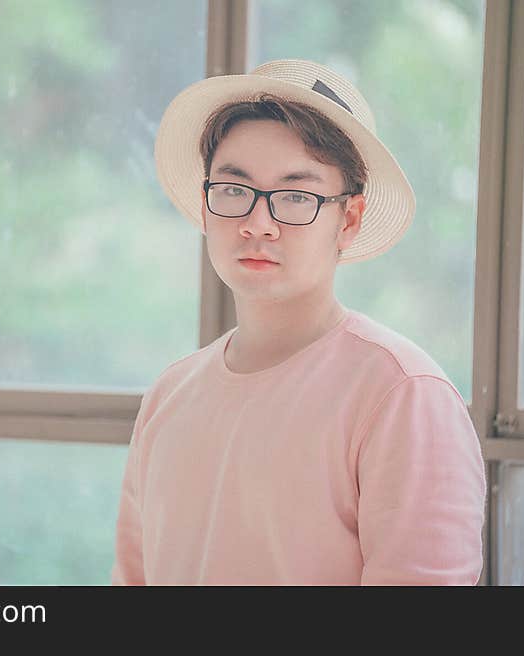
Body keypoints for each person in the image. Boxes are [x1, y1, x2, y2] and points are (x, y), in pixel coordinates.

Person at [110, 60, 487, 585]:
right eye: (234, 189)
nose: (257, 223)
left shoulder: (401, 393)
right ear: (206, 202)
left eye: (294, 196)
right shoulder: (170, 393)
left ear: (349, 219)